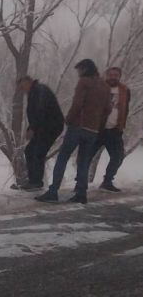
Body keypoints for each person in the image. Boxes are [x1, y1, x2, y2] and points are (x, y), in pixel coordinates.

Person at [35, 59, 111, 204]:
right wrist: (98, 125)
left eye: (79, 70)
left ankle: (53, 192)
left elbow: (77, 103)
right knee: (83, 162)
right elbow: (108, 109)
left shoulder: (84, 82)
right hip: (93, 130)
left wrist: (69, 120)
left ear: (84, 69)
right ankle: (81, 194)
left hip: (78, 126)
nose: (78, 74)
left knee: (63, 158)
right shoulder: (105, 86)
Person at [16, 76, 64, 191]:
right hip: (43, 126)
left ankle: (36, 182)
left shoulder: (39, 90)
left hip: (51, 126)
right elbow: (34, 114)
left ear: (28, 82)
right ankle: (33, 181)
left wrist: (32, 128)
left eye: (23, 87)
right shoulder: (34, 92)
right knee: (30, 150)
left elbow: (40, 110)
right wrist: (30, 128)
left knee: (38, 152)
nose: (23, 90)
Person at [91, 67, 131, 192]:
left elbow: (126, 108)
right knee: (86, 156)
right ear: (106, 75)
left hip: (115, 129)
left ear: (119, 76)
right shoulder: (98, 88)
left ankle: (107, 181)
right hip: (98, 129)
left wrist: (121, 125)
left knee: (118, 156)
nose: (113, 77)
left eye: (116, 75)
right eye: (111, 74)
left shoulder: (125, 90)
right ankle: (79, 183)